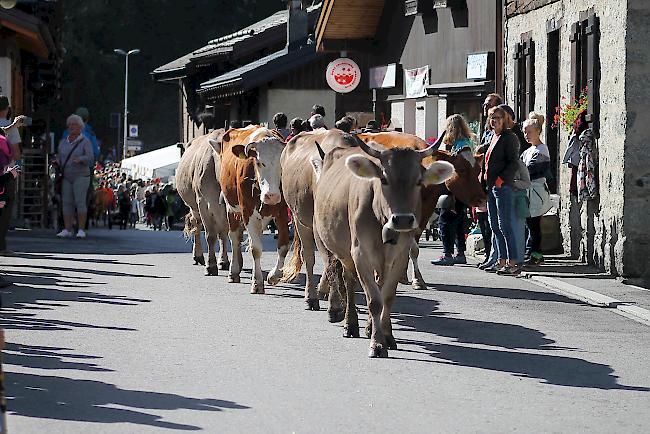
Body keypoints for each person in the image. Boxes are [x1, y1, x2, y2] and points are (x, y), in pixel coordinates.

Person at [480, 105, 523, 276]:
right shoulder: (493, 137)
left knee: (505, 226)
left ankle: (513, 263)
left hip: (502, 187)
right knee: (494, 226)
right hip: (491, 187)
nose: (494, 120)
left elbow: (513, 163)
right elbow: (489, 161)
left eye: (498, 117)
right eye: (492, 117)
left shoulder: (509, 137)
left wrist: (500, 179)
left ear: (504, 120)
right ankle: (502, 260)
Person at [431, 115, 475, 266]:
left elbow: (466, 169)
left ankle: (447, 253)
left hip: (457, 190)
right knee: (458, 222)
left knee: (445, 221)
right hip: (462, 190)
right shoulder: (465, 145)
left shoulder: (462, 147)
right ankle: (460, 253)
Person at [56, 114, 94, 239]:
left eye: (74, 125)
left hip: (81, 176)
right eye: (70, 124)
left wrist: (80, 159)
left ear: (80, 127)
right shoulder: (63, 142)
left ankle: (81, 229)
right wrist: (56, 161)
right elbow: (60, 156)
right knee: (66, 202)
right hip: (66, 175)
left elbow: (90, 158)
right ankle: (67, 229)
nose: (71, 127)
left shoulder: (85, 142)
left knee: (80, 202)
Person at [521, 112, 552, 265]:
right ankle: (530, 252)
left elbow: (529, 170)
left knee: (534, 224)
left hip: (536, 192)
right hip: (528, 192)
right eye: (524, 132)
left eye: (529, 132)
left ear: (538, 131)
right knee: (529, 224)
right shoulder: (528, 151)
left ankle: (537, 255)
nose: (526, 135)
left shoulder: (542, 150)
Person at [0, 95, 25, 255]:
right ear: (8, 108)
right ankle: (1, 246)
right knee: (5, 210)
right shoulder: (12, 127)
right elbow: (16, 153)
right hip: (5, 174)